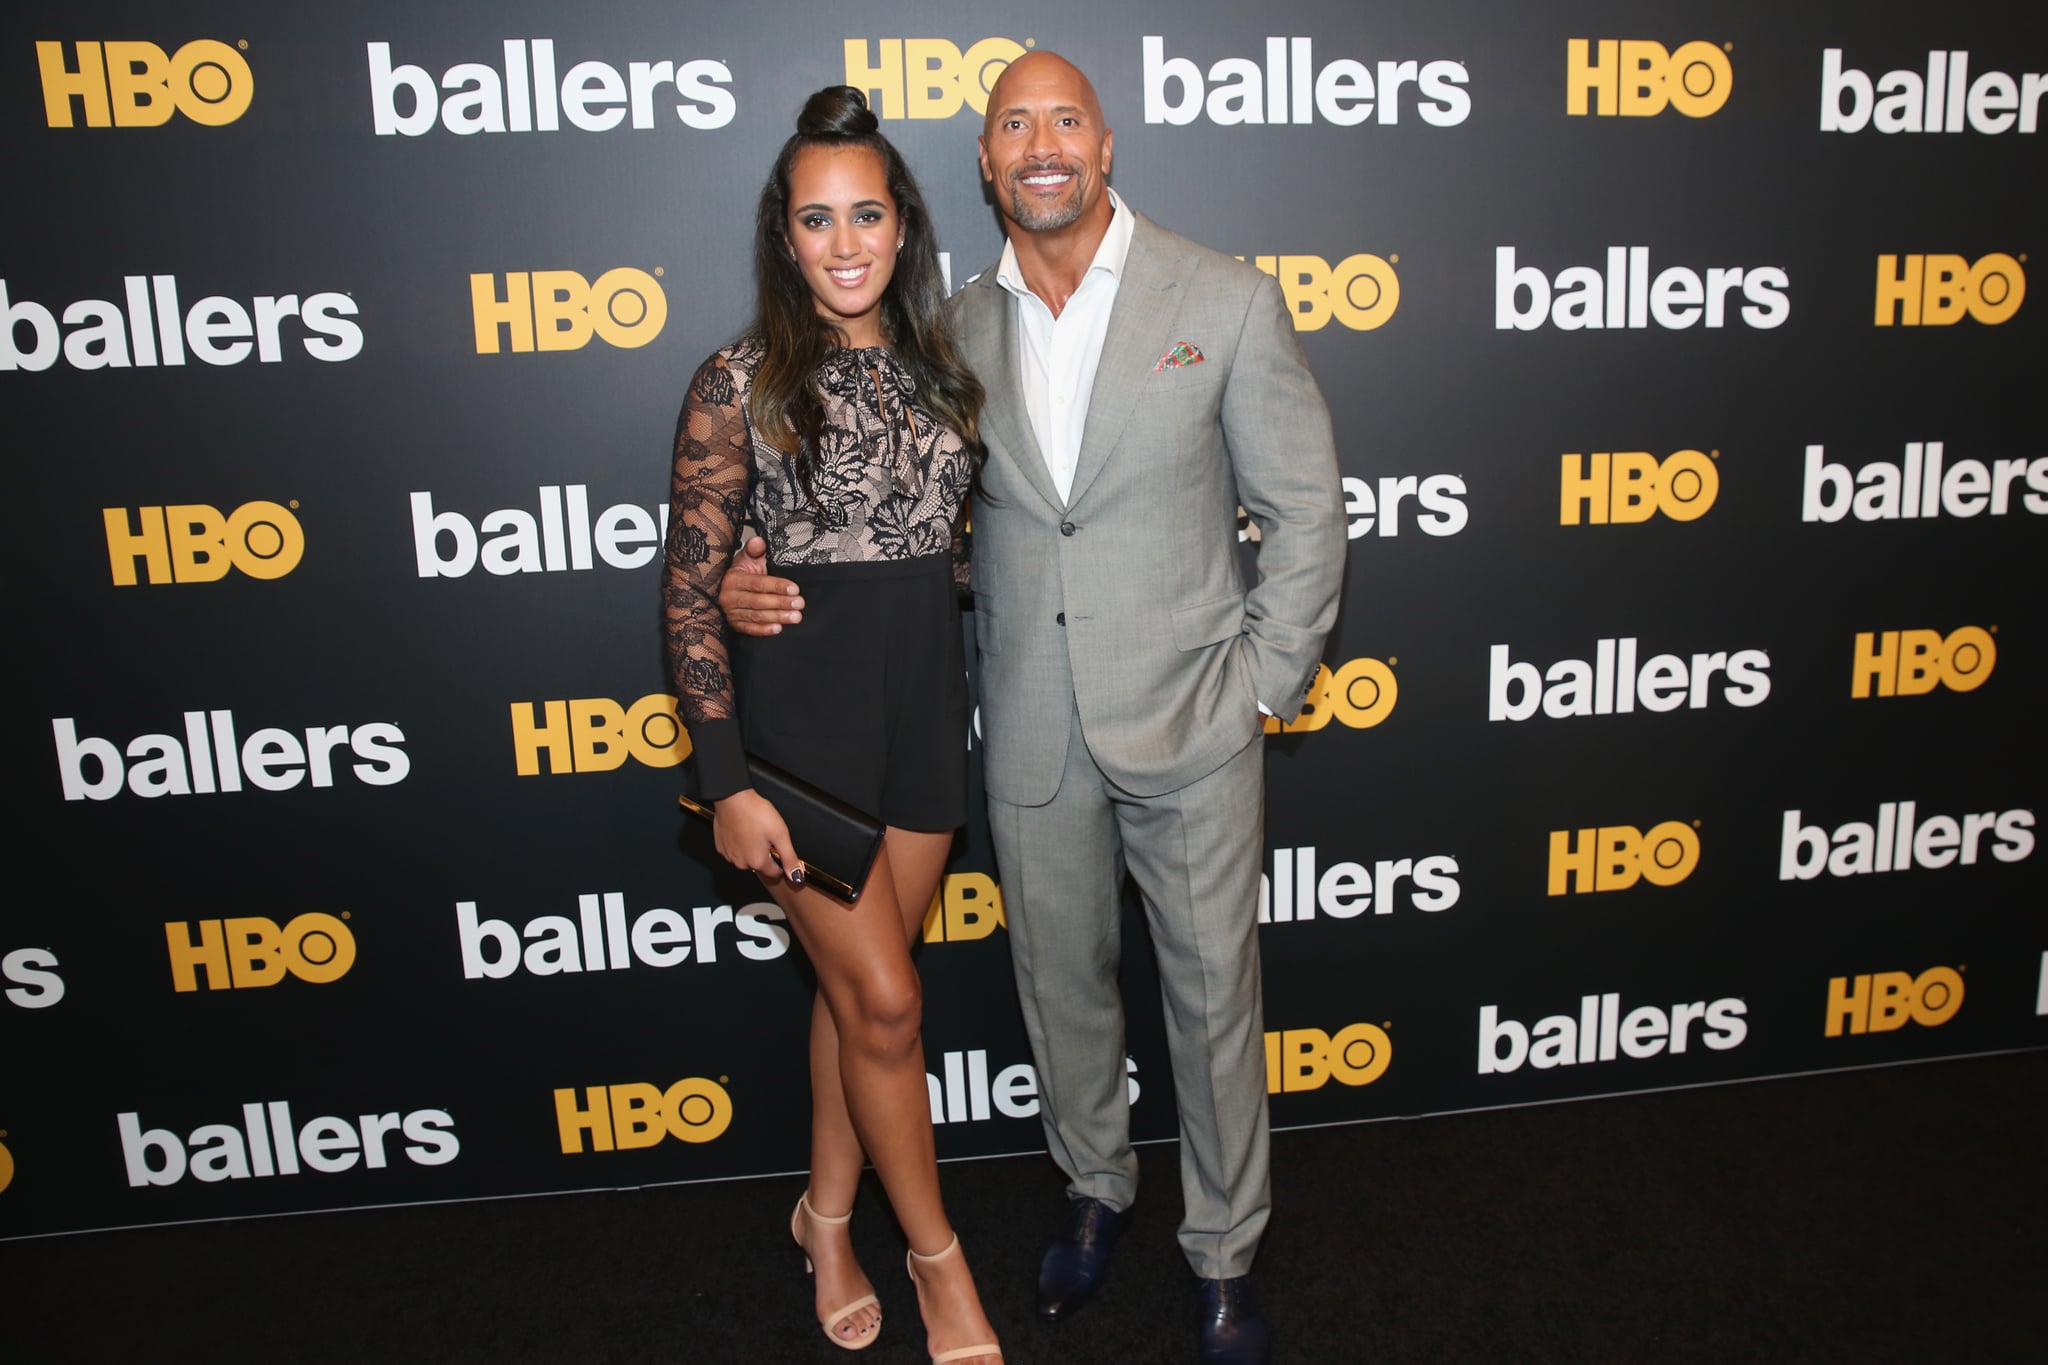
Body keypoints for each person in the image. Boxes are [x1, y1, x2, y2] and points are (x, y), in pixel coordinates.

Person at [721, 53, 1345, 1365]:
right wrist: (746, 568)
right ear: (991, 168)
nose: (1041, 143)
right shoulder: (954, 333)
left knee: (1213, 998)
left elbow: (1304, 515)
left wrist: (1261, 690)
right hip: (1028, 725)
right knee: (1061, 990)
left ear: (1106, 148)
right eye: (1015, 125)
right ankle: (1096, 1189)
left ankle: (1226, 1253)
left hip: (1194, 720)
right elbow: (910, 532)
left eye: (1066, 119)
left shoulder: (1220, 298)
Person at [662, 85, 1001, 1365]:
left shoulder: (941, 375)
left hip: (920, 722)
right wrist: (726, 779)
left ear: (904, 227)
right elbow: (690, 600)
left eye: (867, 213)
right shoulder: (736, 381)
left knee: (858, 1006)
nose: (845, 241)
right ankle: (936, 1261)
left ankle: (824, 1216)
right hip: (794, 744)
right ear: (784, 236)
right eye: (817, 219)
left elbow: (954, 559)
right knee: (891, 1005)